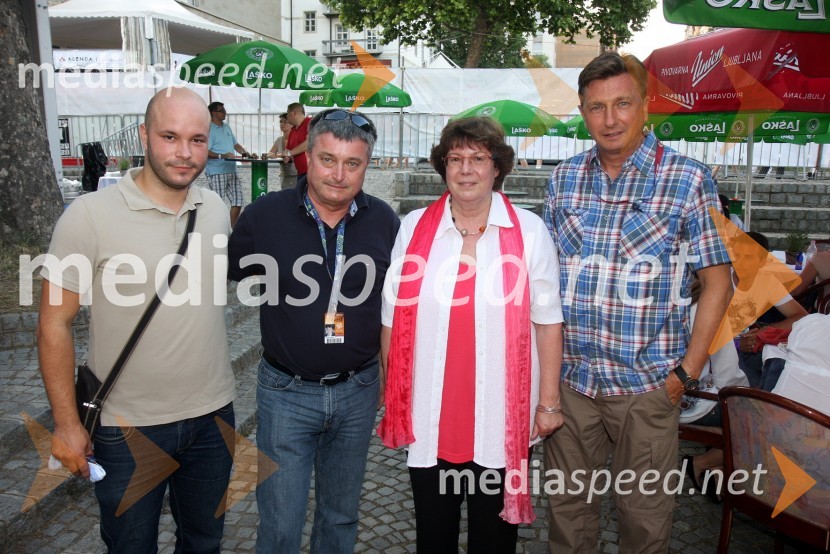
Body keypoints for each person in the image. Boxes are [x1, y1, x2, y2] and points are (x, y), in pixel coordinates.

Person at [543, 52, 732, 552]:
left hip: (648, 386)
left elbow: (719, 282)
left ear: (645, 105)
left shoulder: (688, 179)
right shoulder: (562, 179)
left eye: (622, 103)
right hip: (573, 384)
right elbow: (546, 284)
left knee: (645, 520)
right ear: (583, 112)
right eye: (596, 107)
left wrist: (685, 375)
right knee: (567, 516)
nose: (610, 119)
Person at [37, 88, 236, 551]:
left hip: (213, 418)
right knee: (130, 546)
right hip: (126, 428)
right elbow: (52, 323)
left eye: (197, 139)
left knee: (205, 542)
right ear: (144, 135)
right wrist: (67, 423)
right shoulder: (88, 216)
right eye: (170, 136)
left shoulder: (216, 212)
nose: (184, 153)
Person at [379, 117, 564, 552]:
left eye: (478, 158)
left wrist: (549, 402)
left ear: (497, 167)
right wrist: (394, 395)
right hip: (431, 414)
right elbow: (393, 317)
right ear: (443, 166)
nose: (466, 169)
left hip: (501, 414)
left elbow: (548, 319)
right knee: (434, 536)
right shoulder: (414, 227)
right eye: (455, 158)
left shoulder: (530, 232)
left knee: (494, 540)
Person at [227, 108, 399, 553]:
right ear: (307, 157)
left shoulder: (385, 222)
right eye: (327, 160)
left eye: (352, 163)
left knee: (340, 518)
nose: (338, 175)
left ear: (367, 165)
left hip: (358, 390)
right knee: (281, 524)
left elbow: (396, 305)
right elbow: (228, 268)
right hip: (286, 391)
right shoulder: (265, 215)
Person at [206, 101, 255, 227]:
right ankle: (216, 229)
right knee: (218, 203)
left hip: (231, 169)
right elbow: (204, 151)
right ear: (213, 113)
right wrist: (221, 155)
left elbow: (236, 144)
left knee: (238, 201)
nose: (224, 112)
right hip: (217, 171)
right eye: (221, 110)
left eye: (224, 110)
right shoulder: (208, 129)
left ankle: (229, 230)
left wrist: (247, 153)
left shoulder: (226, 126)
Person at [264, 112, 298, 189]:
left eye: (285, 122)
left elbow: (291, 154)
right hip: (284, 175)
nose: (282, 124)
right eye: (280, 122)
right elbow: (270, 153)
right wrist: (271, 155)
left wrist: (276, 155)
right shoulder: (279, 139)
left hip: (296, 175)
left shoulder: (296, 139)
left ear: (292, 124)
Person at [284, 102, 311, 180]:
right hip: (300, 173)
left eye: (287, 113)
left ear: (294, 113)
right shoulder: (292, 130)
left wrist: (289, 153)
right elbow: (288, 149)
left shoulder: (310, 123)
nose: (287, 117)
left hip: (311, 171)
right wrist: (286, 157)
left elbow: (309, 143)